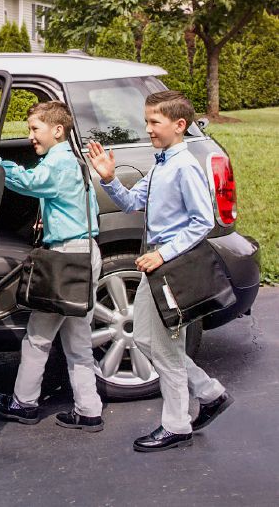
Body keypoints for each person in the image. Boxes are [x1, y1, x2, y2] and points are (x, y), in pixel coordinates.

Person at [88, 90, 233, 452]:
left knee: (164, 347)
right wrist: (108, 179)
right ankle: (209, 392)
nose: (148, 128)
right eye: (148, 121)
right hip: (156, 265)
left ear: (178, 125)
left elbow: (202, 222)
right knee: (147, 339)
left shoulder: (184, 166)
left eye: (155, 122)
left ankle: (177, 425)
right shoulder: (162, 163)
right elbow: (133, 202)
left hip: (171, 268)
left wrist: (162, 254)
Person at [0, 101, 105, 432]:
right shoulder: (73, 160)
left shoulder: (57, 163)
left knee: (38, 336)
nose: (30, 135)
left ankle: (24, 402)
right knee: (78, 341)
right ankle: (89, 410)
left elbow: (30, 183)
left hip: (65, 257)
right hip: (86, 253)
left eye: (35, 128)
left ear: (57, 130)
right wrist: (46, 218)